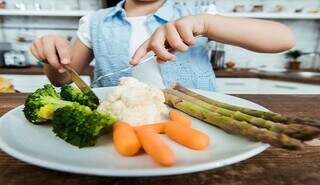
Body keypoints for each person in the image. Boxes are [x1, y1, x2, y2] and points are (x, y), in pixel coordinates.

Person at [30, 0, 294, 91]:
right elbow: (62, 79)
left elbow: (283, 39)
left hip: (196, 119)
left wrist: (205, 23)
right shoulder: (94, 21)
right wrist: (52, 58)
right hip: (118, 123)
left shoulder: (197, 10)